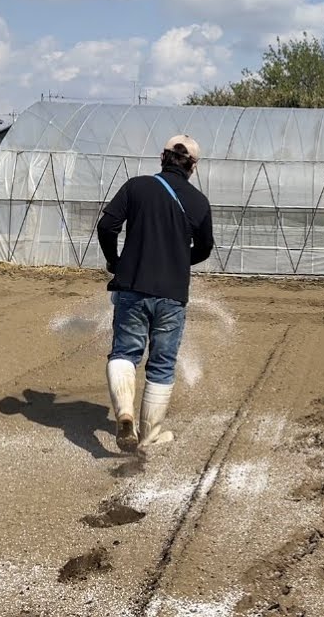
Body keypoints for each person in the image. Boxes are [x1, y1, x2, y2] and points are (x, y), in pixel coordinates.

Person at [96, 135, 214, 452]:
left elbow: (107, 226)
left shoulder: (136, 186)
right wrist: (176, 258)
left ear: (162, 158)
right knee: (161, 365)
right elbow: (204, 248)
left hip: (132, 286)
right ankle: (148, 436)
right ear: (193, 166)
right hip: (172, 295)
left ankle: (123, 412)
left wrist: (115, 261)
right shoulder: (200, 203)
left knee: (124, 353)